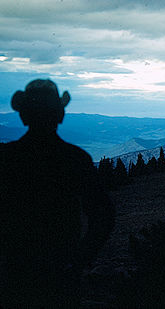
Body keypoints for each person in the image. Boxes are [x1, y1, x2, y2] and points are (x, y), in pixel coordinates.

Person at [0, 79, 115, 307]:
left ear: (23, 116)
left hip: (14, 275)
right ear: (60, 115)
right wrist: (79, 261)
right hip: (61, 276)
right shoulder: (76, 159)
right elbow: (104, 216)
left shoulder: (7, 158)